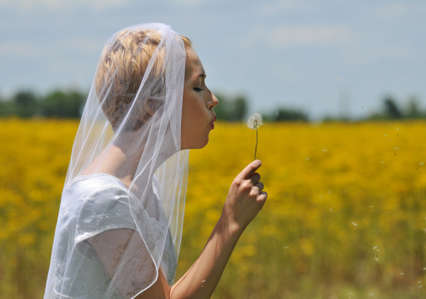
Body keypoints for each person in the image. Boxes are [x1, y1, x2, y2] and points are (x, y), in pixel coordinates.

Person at [43, 22, 268, 299]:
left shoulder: (142, 188)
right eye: (198, 87)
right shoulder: (102, 200)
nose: (214, 99)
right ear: (153, 104)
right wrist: (230, 223)